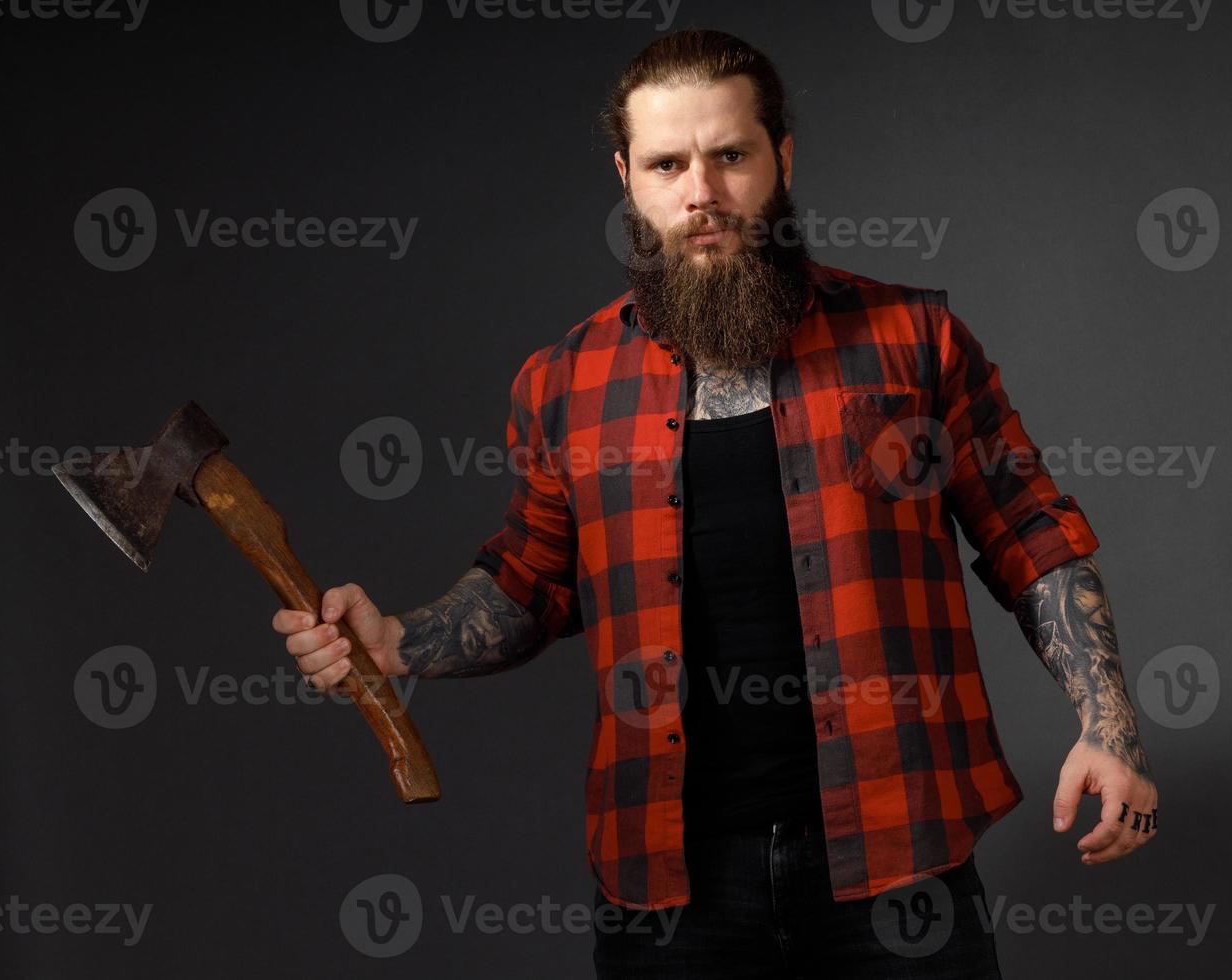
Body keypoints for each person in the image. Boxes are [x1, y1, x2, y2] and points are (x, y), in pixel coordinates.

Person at [272, 29, 1159, 978]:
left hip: (901, 855)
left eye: (729, 155)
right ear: (628, 177)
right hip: (669, 885)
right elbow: (533, 584)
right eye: (667, 164)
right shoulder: (562, 383)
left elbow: (1031, 534)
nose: (701, 193)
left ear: (782, 156)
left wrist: (1110, 728)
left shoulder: (915, 339)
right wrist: (400, 641)